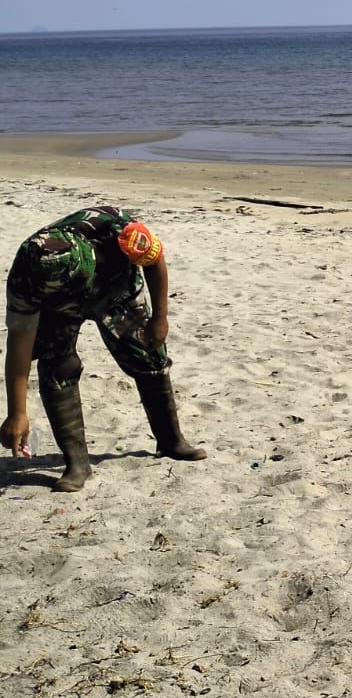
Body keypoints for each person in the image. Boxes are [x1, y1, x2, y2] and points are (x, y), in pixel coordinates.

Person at [3, 205, 207, 493]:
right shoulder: (27, 277)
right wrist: (17, 413)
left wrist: (160, 317)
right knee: (56, 368)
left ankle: (171, 441)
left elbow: (155, 259)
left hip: (115, 290)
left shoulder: (118, 230)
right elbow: (18, 347)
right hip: (58, 308)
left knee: (148, 354)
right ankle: (77, 464)